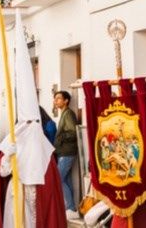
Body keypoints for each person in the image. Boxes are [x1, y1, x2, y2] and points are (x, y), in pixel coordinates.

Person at [0, 11, 66, 228]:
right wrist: (8, 156)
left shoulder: (45, 152)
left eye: (35, 124)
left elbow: (52, 191)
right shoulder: (12, 142)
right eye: (28, 124)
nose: (32, 128)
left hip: (36, 202)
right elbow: (3, 172)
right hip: (16, 200)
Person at [53, 90, 79, 219]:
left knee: (59, 178)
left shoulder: (68, 114)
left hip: (67, 152)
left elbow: (73, 132)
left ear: (66, 100)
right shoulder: (64, 114)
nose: (56, 101)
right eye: (55, 99)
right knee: (66, 180)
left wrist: (60, 137)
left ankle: (70, 207)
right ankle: (72, 209)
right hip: (64, 151)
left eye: (58, 98)